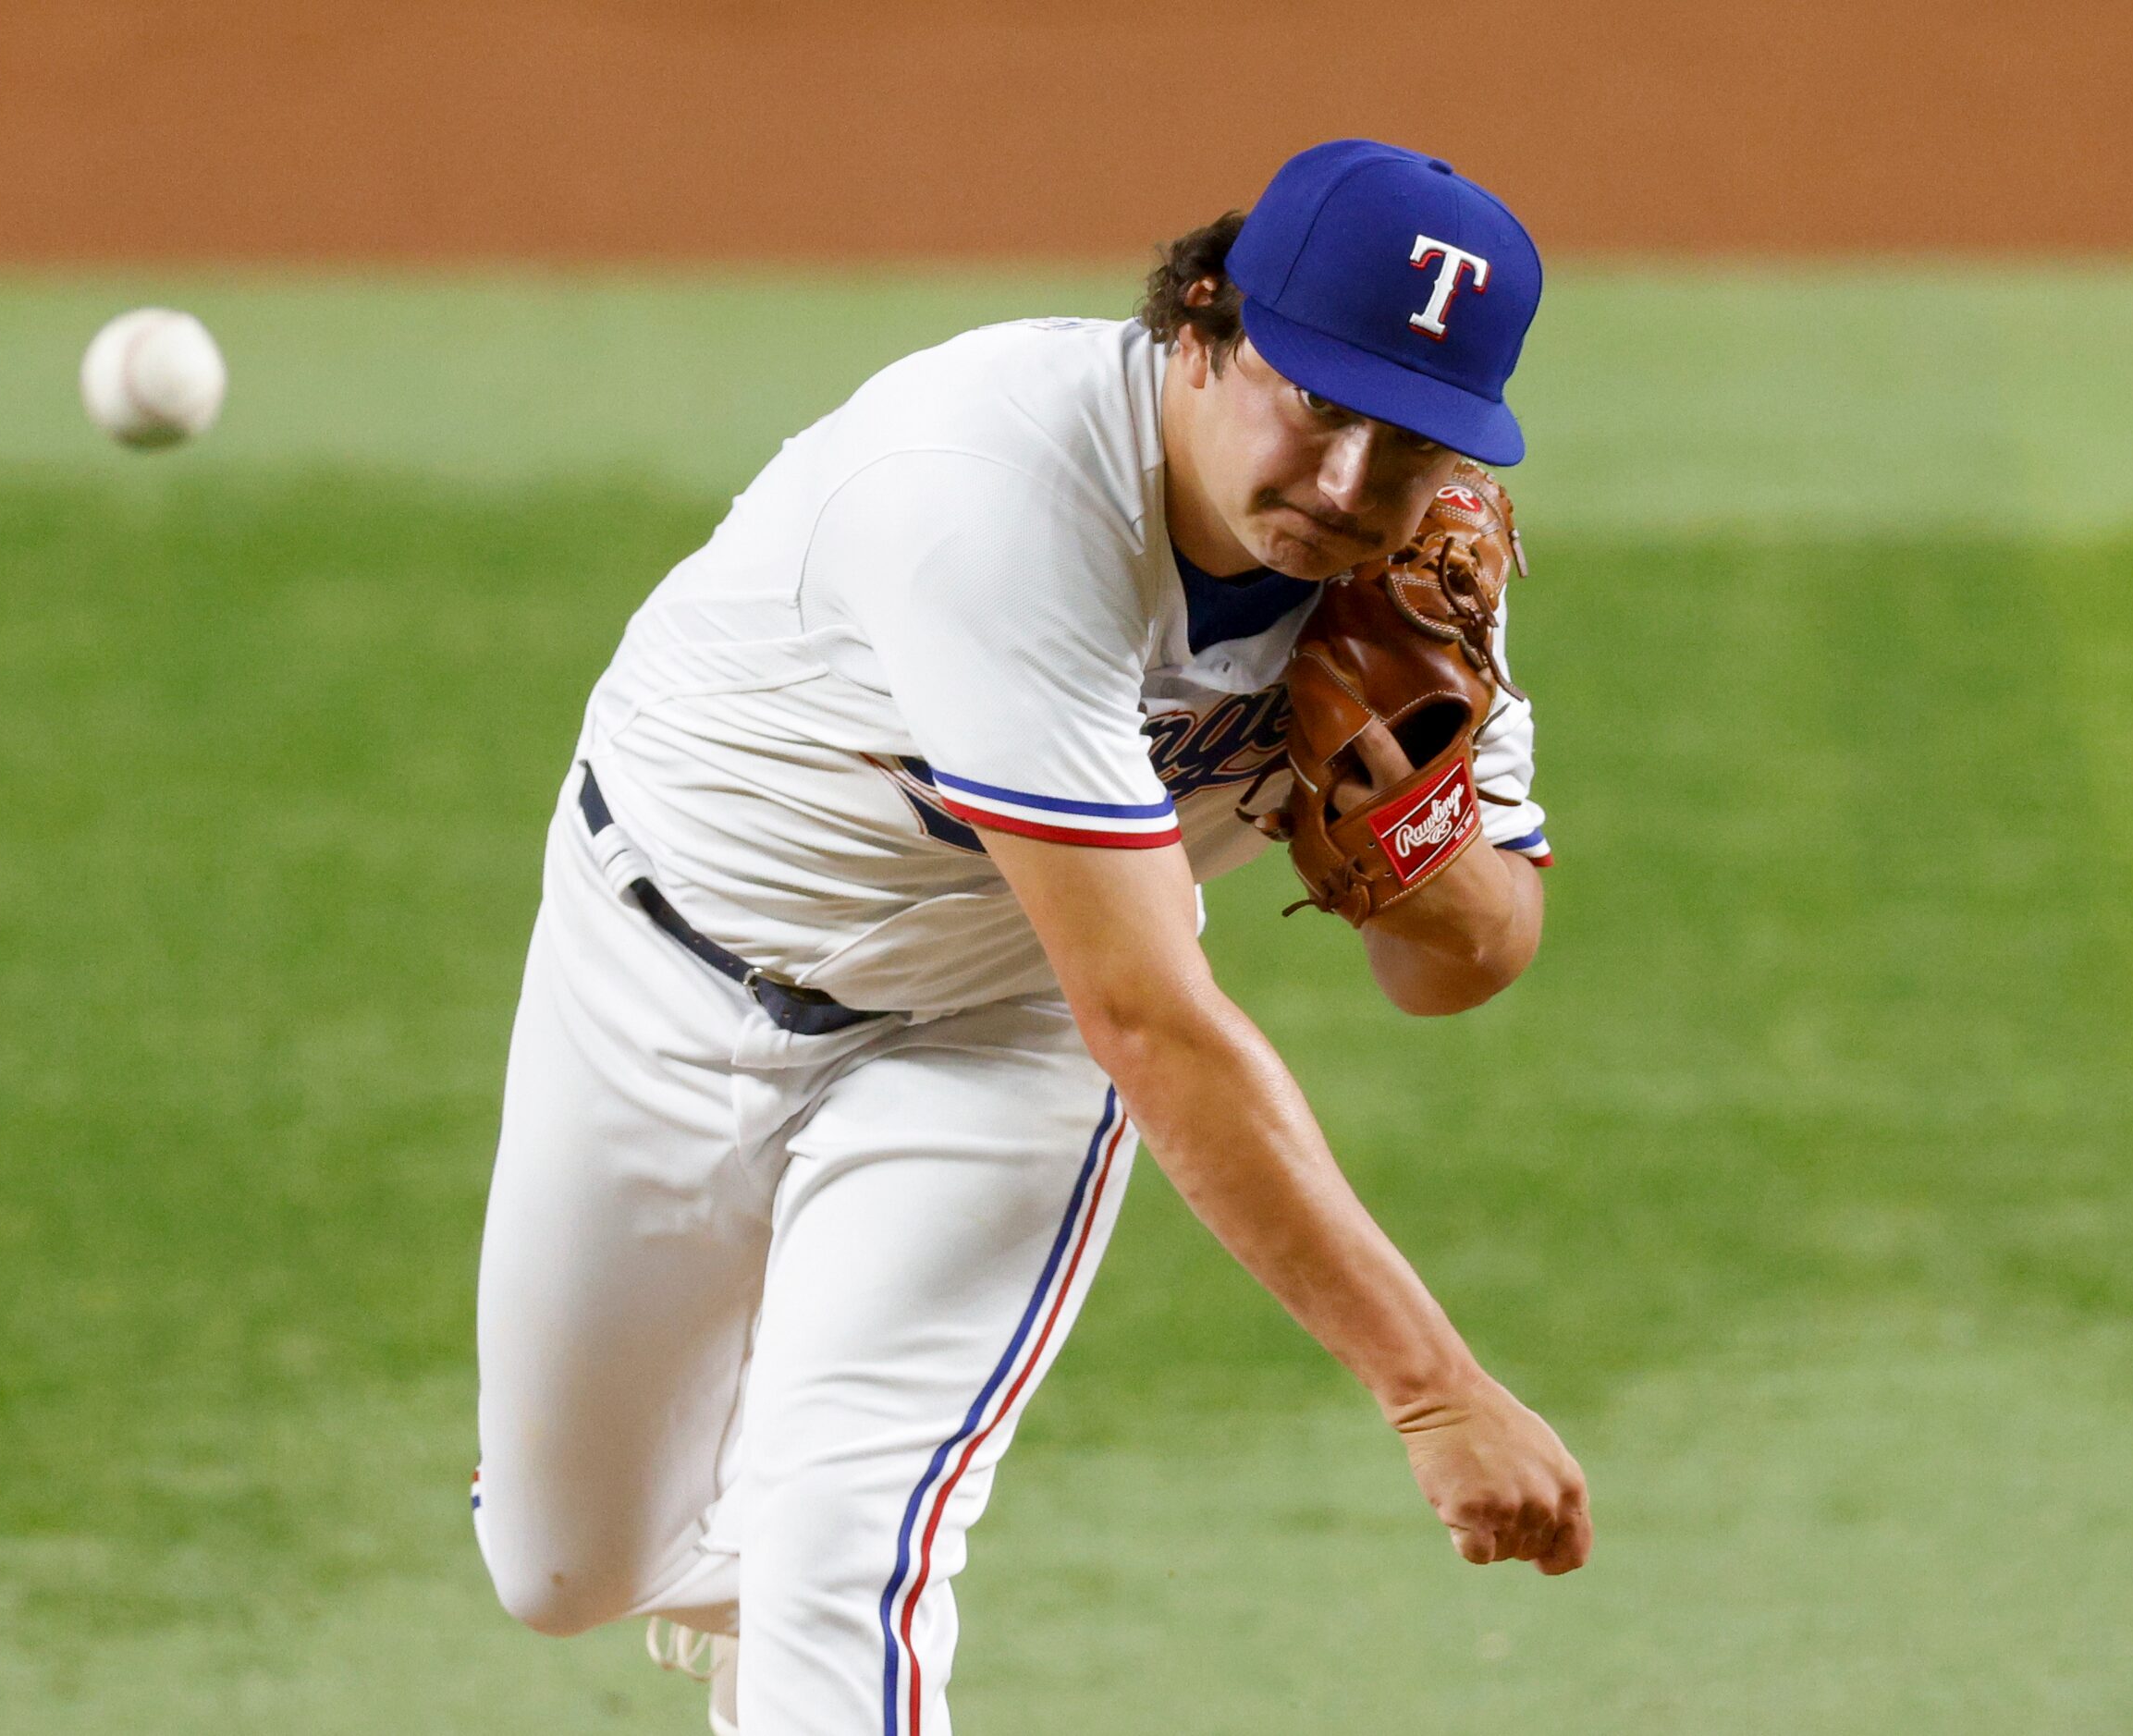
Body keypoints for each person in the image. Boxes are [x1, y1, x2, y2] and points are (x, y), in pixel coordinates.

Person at [471, 139, 1591, 1736]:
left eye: (1406, 444)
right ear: (1202, 326)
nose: (1350, 487)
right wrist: (1434, 1389)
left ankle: (798, 1587)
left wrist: (1406, 809)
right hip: (660, 953)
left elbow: (1461, 962)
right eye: (1318, 403)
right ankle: (738, 1559)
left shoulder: (1402, 573)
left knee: (847, 1543)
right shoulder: (992, 490)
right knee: (562, 1571)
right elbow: (1156, 1012)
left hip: (995, 1028)